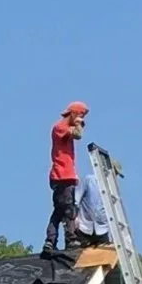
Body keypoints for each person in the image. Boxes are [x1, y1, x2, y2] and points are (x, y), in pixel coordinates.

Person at [46, 101, 88, 256]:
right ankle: (71, 240)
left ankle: (50, 241)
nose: (81, 120)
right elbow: (78, 135)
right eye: (80, 115)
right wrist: (78, 124)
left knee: (59, 210)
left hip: (65, 175)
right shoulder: (60, 127)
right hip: (62, 175)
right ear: (74, 113)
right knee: (69, 209)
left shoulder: (63, 128)